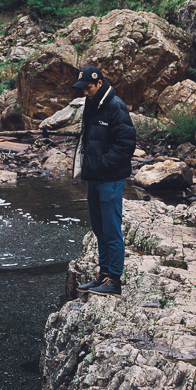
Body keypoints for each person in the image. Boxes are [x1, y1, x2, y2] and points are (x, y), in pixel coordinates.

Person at [71, 65, 136, 298]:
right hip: (94, 178)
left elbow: (126, 145)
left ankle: (114, 281)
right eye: (81, 89)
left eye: (87, 88)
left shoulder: (115, 106)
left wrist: (102, 164)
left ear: (99, 84)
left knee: (111, 230)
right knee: (99, 229)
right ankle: (103, 275)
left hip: (110, 179)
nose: (83, 93)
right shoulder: (92, 103)